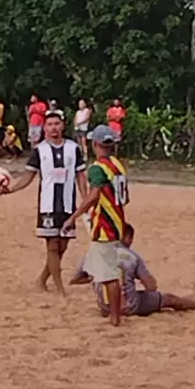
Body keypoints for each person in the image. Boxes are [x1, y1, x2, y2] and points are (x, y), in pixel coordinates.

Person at [5, 111, 88, 295]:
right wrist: (12, 189)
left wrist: (86, 198)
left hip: (68, 204)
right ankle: (59, 287)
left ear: (62, 125)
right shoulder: (39, 150)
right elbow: (28, 176)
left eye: (56, 124)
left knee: (63, 245)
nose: (53, 128)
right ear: (44, 128)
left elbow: (80, 175)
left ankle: (42, 280)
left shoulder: (73, 148)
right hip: (47, 206)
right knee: (52, 246)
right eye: (50, 124)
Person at [71, 223, 195, 317]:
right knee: (168, 299)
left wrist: (95, 277)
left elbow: (75, 280)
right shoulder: (132, 256)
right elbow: (151, 286)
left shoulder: (92, 254)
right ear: (127, 238)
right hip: (128, 305)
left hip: (105, 306)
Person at [62, 124, 129, 326]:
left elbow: (93, 196)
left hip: (105, 226)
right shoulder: (117, 164)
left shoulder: (98, 168)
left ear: (95, 144)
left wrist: (74, 216)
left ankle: (115, 316)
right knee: (107, 268)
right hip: (117, 222)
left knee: (109, 274)